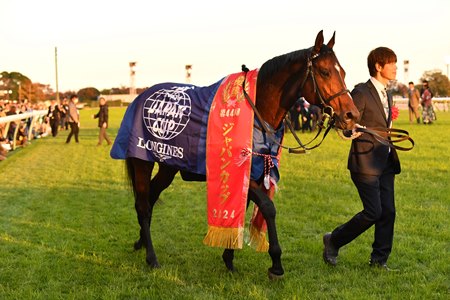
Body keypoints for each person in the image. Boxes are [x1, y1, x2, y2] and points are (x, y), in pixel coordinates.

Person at [323, 47, 401, 271]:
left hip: (385, 160)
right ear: (378, 66)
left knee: (388, 212)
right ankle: (334, 240)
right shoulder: (361, 92)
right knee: (373, 212)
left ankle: (379, 261)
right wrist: (348, 132)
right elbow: (345, 120)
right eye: (391, 63)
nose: (395, 67)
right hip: (365, 162)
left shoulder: (388, 92)